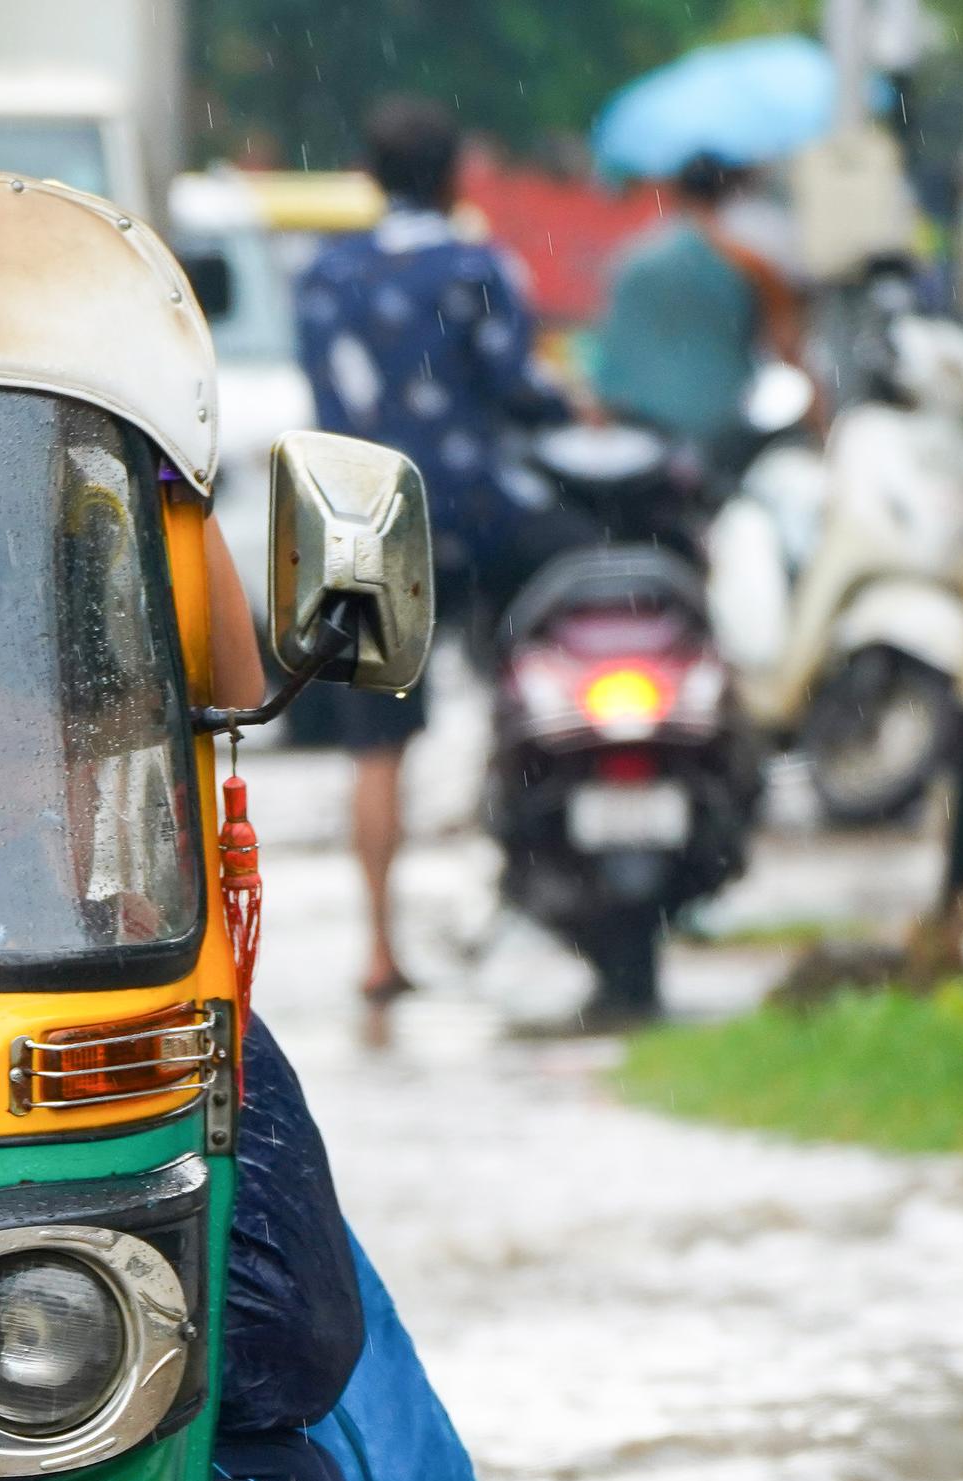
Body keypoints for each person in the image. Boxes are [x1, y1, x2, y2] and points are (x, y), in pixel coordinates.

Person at [294, 95, 579, 1008]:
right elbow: (521, 389)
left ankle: (380, 948)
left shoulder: (324, 275)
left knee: (376, 748)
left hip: (370, 522)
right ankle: (535, 882)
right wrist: (577, 411)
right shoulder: (476, 268)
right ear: (456, 175)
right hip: (477, 518)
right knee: (541, 674)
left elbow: (331, 397)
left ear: (370, 178)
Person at [591, 155, 803, 475]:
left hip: (638, 429)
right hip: (722, 433)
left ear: (674, 190)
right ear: (731, 192)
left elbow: (610, 356)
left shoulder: (634, 260)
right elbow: (788, 348)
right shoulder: (750, 266)